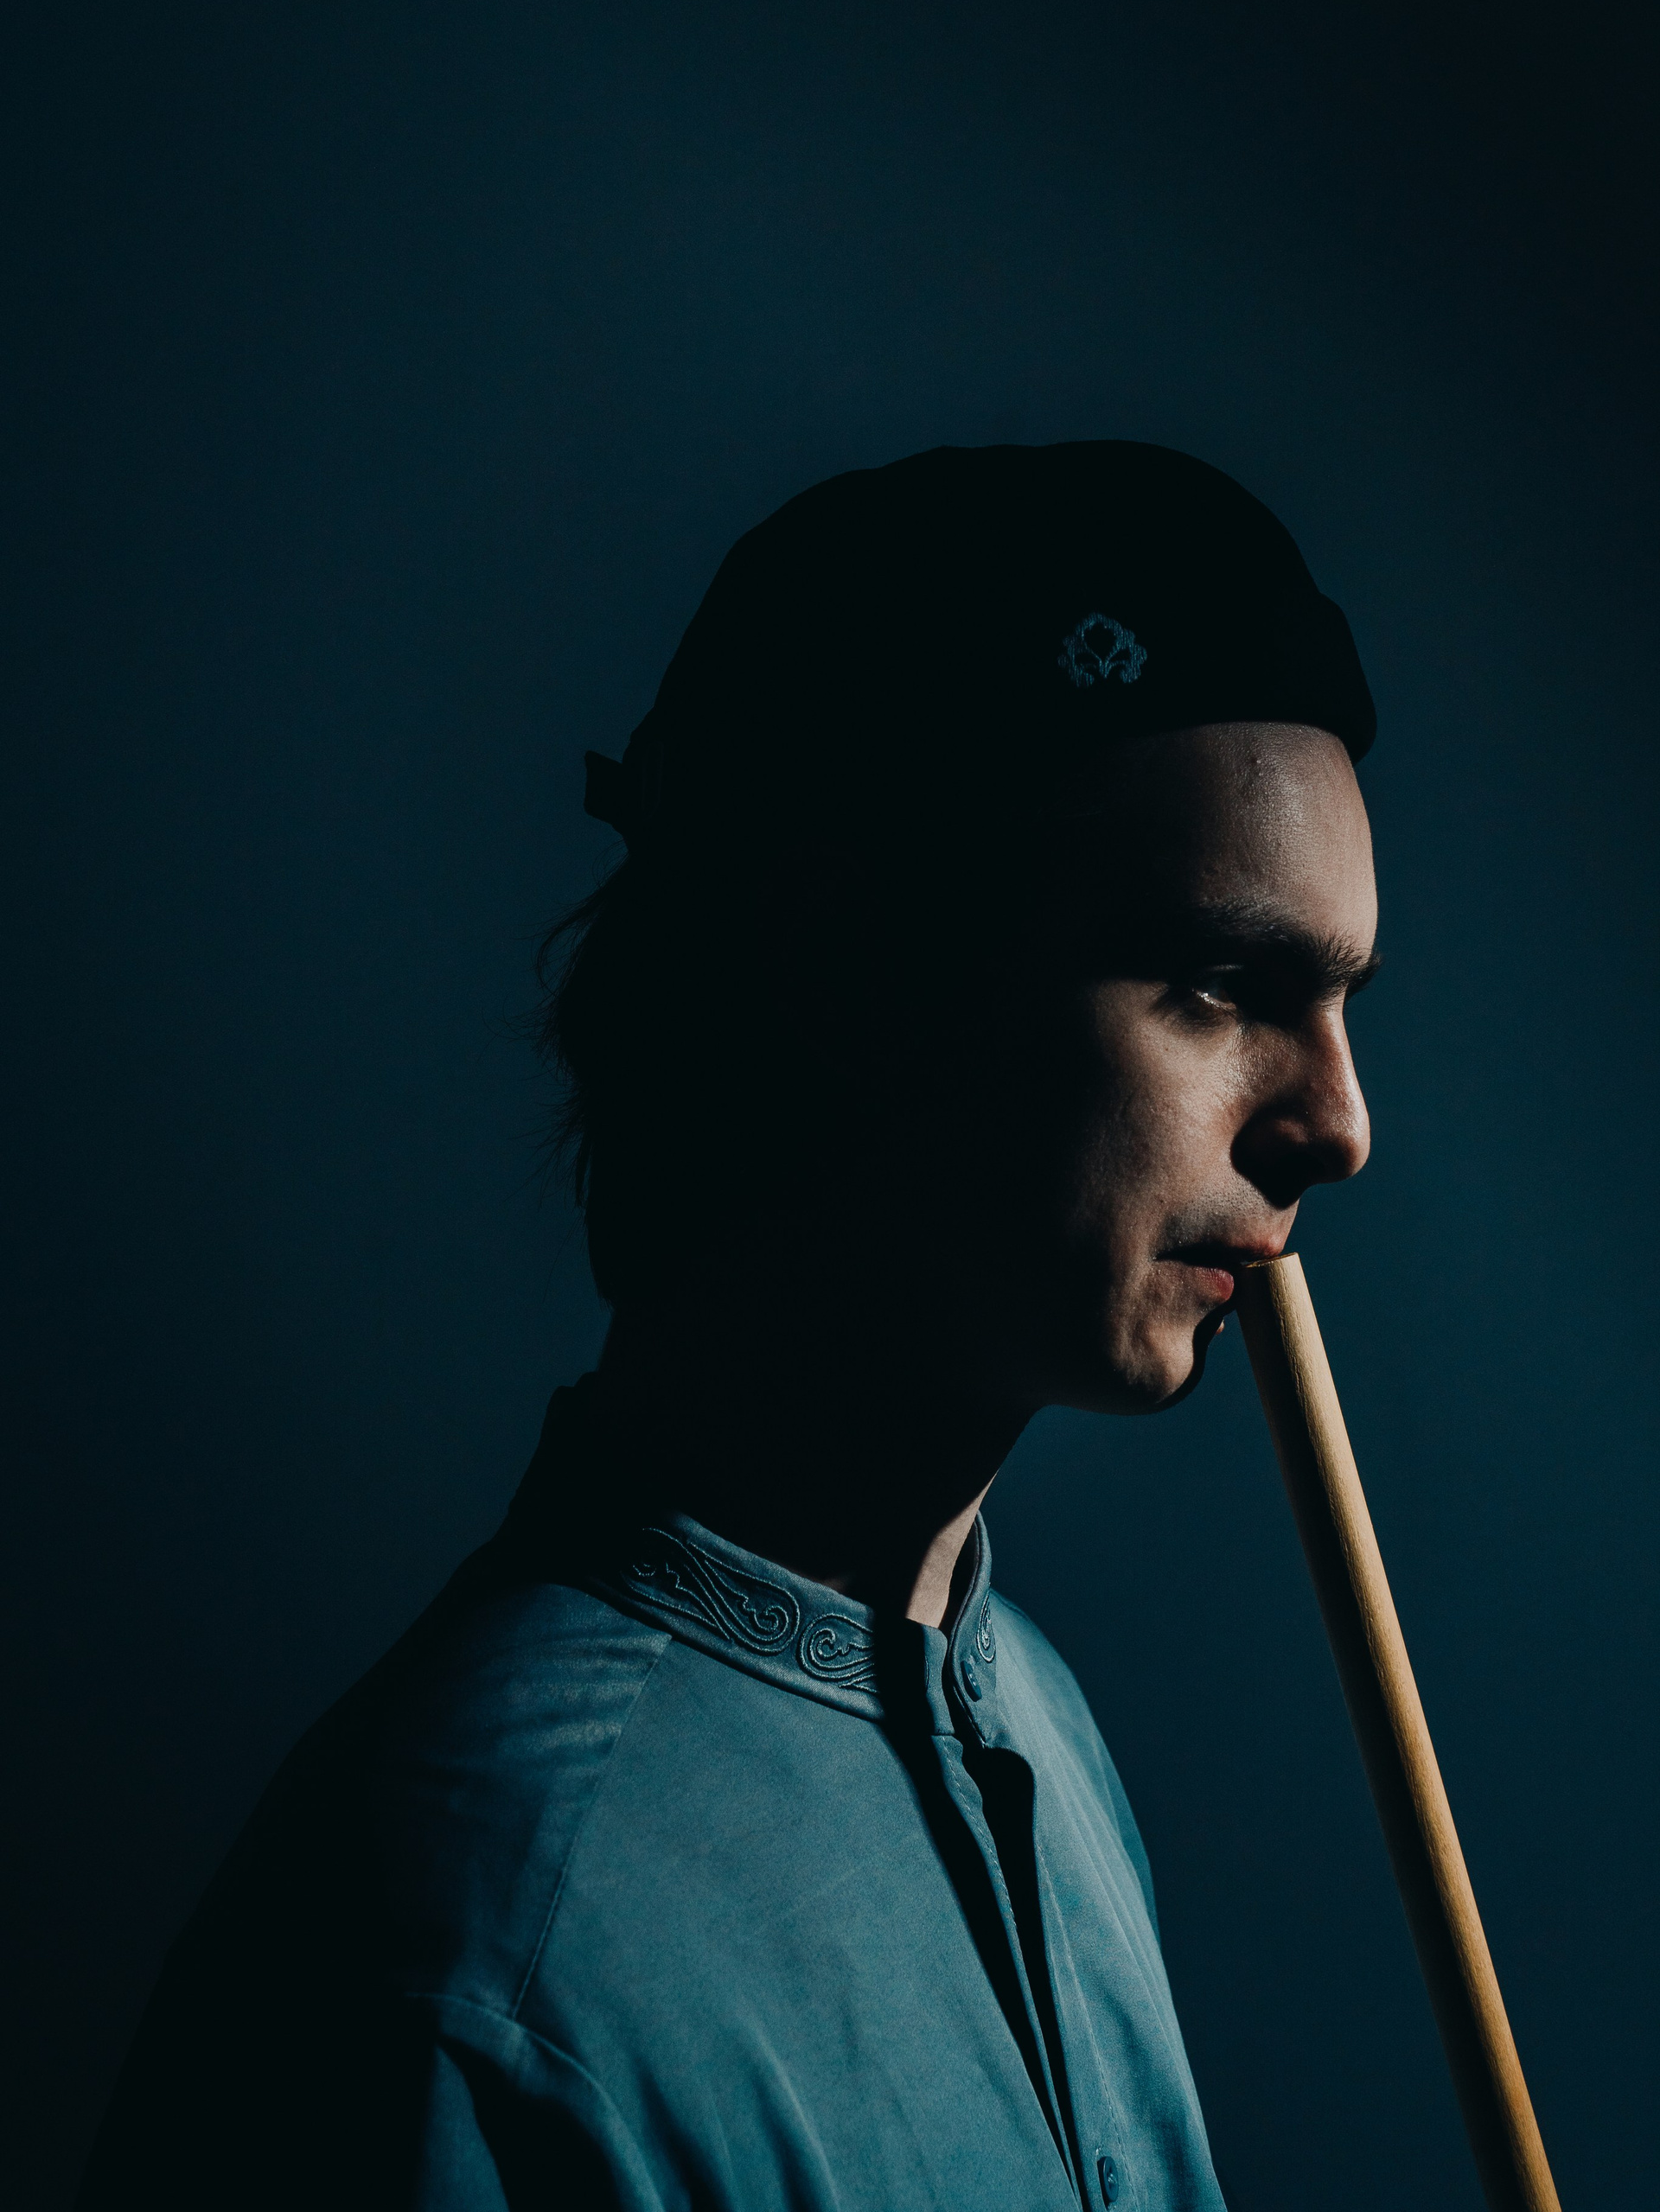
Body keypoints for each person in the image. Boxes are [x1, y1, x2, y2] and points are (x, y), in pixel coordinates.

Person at [79, 442, 1380, 2211]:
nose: (1338, 1125)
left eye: (1345, 1003)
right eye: (1224, 988)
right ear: (850, 971)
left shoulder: (1036, 1723)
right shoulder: (464, 1958)